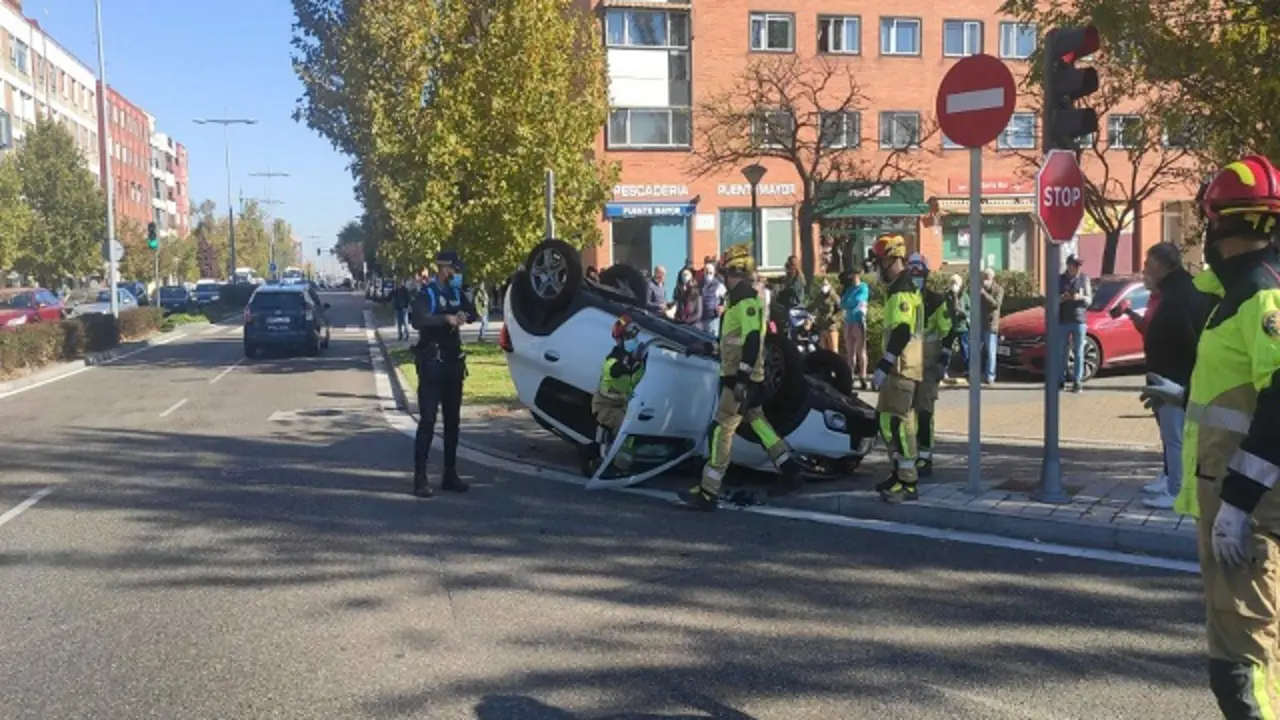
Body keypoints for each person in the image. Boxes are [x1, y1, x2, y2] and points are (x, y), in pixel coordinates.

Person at [1142, 155, 1280, 718]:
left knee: (1242, 664)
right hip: (1235, 501)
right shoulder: (1239, 291)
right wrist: (1187, 398)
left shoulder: (1260, 295)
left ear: (1215, 221)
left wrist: (1239, 506)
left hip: (1247, 510)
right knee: (1250, 650)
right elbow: (1248, 390)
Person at [678, 244, 804, 512]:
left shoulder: (746, 301)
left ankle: (708, 490)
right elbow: (732, 342)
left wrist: (742, 380)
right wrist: (707, 347)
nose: (724, 277)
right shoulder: (738, 301)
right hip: (741, 376)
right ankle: (789, 468)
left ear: (736, 272)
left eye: (726, 273)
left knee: (721, 429)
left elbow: (752, 340)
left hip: (739, 379)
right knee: (758, 423)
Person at [1118, 242, 1211, 510]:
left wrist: (1181, 380)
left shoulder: (1179, 294)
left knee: (1175, 437)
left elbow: (1186, 336)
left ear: (1160, 265)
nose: (1145, 270)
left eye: (1148, 264)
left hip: (1175, 378)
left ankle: (1176, 490)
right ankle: (1172, 479)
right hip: (1170, 375)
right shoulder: (1176, 290)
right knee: (1171, 436)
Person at [408, 250, 478, 497]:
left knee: (453, 422)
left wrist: (463, 313)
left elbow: (474, 314)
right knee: (428, 421)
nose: (455, 274)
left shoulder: (457, 292)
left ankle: (450, 474)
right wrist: (444, 319)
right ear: (441, 268)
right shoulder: (427, 293)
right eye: (452, 270)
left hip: (453, 363)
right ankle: (420, 478)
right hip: (432, 362)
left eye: (458, 271)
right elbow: (418, 319)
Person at [868, 234, 924, 504]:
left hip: (903, 369)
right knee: (885, 421)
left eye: (880, 263)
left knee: (899, 424)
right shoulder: (899, 288)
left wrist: (884, 363)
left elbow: (902, 331)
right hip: (897, 369)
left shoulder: (903, 290)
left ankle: (909, 484)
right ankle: (898, 471)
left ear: (891, 260)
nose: (878, 269)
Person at [910, 254, 955, 478]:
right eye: (912, 272)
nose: (916, 276)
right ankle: (907, 453)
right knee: (901, 412)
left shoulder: (937, 301)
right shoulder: (902, 298)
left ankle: (925, 456)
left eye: (919, 273)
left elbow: (949, 332)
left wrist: (942, 363)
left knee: (925, 412)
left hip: (928, 366)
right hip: (906, 365)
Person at [587, 316, 646, 476]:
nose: (633, 340)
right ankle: (611, 466)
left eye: (634, 337)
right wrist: (631, 362)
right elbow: (614, 371)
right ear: (619, 339)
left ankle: (621, 465)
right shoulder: (613, 359)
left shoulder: (635, 360)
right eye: (628, 337)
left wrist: (641, 363)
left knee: (630, 432)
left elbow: (637, 379)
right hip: (606, 406)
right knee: (624, 428)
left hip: (623, 405)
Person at [1059, 255, 1093, 392]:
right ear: (1068, 265)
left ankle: (1077, 381)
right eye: (1075, 265)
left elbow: (1089, 300)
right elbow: (1052, 298)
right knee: (1062, 352)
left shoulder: (1084, 278)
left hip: (1079, 320)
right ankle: (1060, 380)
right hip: (1063, 319)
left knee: (1078, 351)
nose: (1078, 268)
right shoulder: (1060, 279)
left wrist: (1080, 297)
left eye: (1079, 265)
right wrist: (1063, 298)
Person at [841, 268, 871, 389]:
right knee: (850, 351)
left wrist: (850, 302)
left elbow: (860, 299)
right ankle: (851, 376)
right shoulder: (849, 289)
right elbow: (843, 302)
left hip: (859, 321)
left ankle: (863, 376)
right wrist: (850, 302)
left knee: (861, 350)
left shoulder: (863, 287)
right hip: (849, 321)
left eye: (854, 275)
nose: (852, 277)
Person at [979, 268, 1003, 385]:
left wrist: (984, 294)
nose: (984, 280)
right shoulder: (979, 289)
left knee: (991, 352)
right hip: (979, 324)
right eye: (984, 277)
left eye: (987, 278)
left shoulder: (998, 290)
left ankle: (990, 375)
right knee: (977, 350)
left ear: (992, 278)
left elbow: (996, 304)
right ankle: (979, 373)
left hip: (990, 325)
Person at [944, 274, 969, 383]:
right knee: (946, 349)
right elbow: (946, 309)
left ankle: (967, 370)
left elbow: (969, 310)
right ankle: (944, 371)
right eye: (952, 283)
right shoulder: (948, 296)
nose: (954, 285)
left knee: (964, 349)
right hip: (951, 326)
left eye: (956, 283)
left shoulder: (965, 296)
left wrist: (963, 313)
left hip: (962, 326)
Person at [809, 276, 843, 353]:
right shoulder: (820, 296)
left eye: (825, 284)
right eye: (822, 284)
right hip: (822, 326)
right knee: (823, 351)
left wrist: (833, 318)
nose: (824, 286)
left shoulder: (834, 296)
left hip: (831, 326)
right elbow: (813, 306)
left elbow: (842, 310)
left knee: (833, 350)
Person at [699, 256, 727, 335]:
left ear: (714, 273)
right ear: (704, 272)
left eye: (710, 273)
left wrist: (723, 307)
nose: (708, 275)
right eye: (706, 272)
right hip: (702, 318)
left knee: (712, 339)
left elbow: (727, 298)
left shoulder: (718, 285)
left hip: (713, 318)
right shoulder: (700, 284)